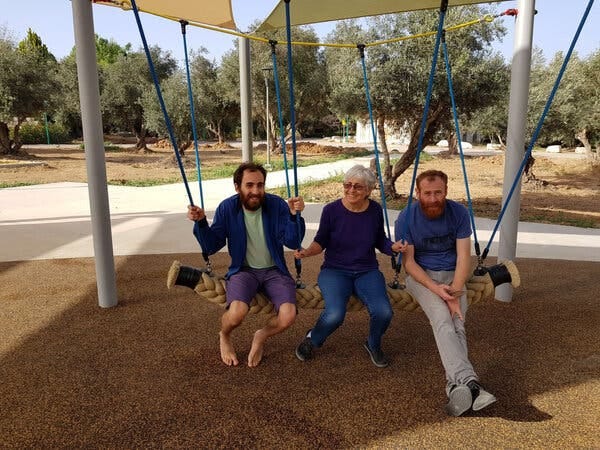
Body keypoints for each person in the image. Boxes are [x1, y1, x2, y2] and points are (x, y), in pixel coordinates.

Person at [394, 169, 496, 416]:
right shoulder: (406, 218)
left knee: (457, 322)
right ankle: (471, 382)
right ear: (417, 193)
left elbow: (463, 256)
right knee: (442, 319)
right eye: (427, 193)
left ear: (446, 191)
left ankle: (456, 386)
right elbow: (409, 264)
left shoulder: (458, 213)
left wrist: (456, 290)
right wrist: (437, 289)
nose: (432, 198)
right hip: (422, 278)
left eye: (438, 192)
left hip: (454, 276)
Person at [187, 162, 305, 368]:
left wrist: (295, 216)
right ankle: (224, 335)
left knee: (288, 316)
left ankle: (261, 336)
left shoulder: (276, 205)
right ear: (237, 186)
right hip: (243, 270)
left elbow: (293, 242)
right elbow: (212, 245)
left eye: (260, 185)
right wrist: (201, 222)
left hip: (274, 271)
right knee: (237, 313)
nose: (256, 191)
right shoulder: (227, 208)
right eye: (249, 185)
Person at [293, 165, 404, 368]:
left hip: (367, 270)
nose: (351, 190)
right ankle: (313, 338)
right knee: (335, 313)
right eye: (348, 185)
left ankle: (373, 343)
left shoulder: (375, 210)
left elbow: (380, 240)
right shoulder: (331, 210)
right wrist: (307, 252)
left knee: (384, 312)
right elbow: (321, 241)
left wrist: (393, 247)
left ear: (369, 190)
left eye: (358, 187)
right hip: (335, 270)